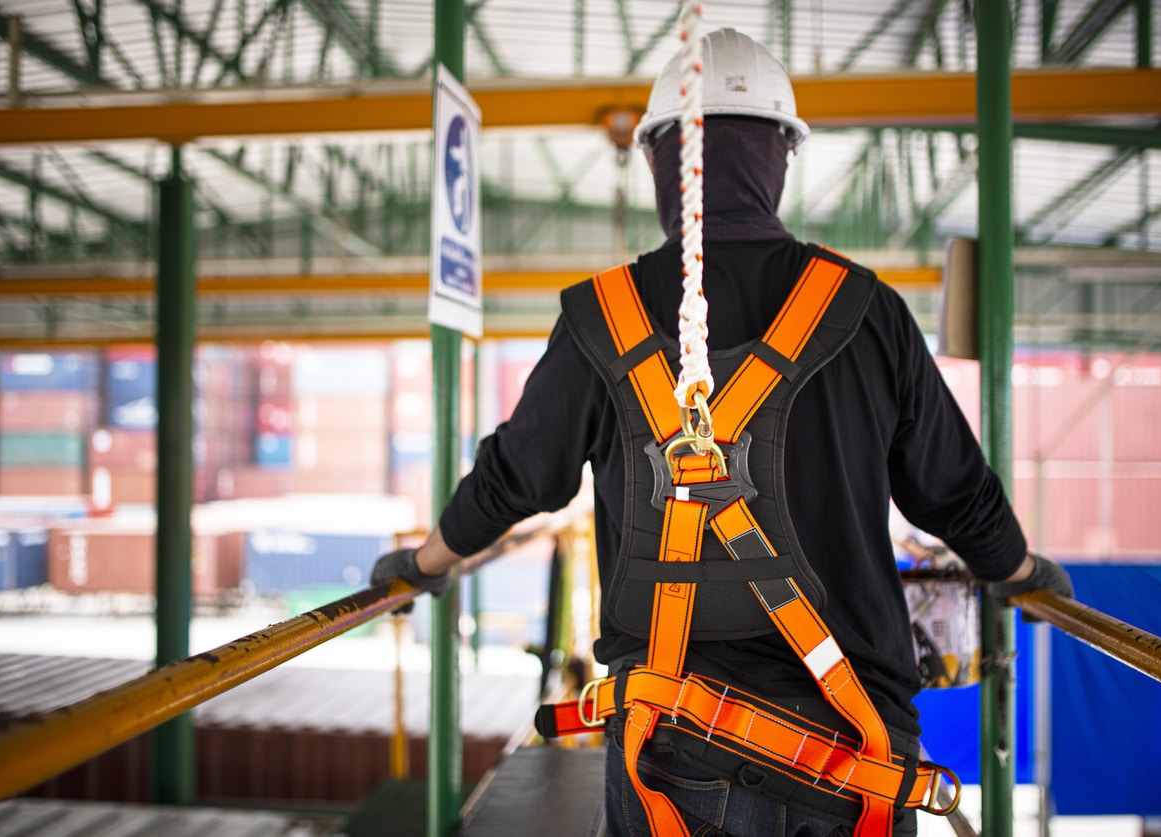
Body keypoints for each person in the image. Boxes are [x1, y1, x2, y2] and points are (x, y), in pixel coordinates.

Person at [371, 27, 1074, 837]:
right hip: (856, 759)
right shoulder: (866, 312)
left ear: (660, 163)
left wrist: (422, 566)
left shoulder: (604, 321)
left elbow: (512, 478)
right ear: (781, 155)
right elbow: (958, 492)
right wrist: (1021, 571)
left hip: (674, 752)